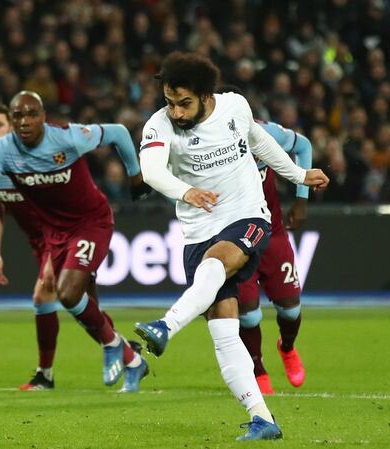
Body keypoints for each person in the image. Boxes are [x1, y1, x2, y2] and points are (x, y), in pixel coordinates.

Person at [132, 52, 329, 440]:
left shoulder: (235, 107)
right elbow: (152, 171)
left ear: (207, 95)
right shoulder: (159, 124)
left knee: (217, 261)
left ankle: (165, 326)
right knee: (225, 334)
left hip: (248, 216)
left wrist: (296, 175)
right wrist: (186, 190)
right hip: (197, 228)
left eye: (184, 103)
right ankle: (262, 417)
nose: (175, 111)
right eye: (170, 102)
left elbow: (260, 141)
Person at [0, 91, 151, 393]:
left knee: (64, 293)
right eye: (18, 116)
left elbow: (117, 132)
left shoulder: (67, 138)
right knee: (83, 305)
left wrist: (135, 177)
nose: (24, 122)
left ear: (43, 116)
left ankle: (101, 351)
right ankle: (129, 358)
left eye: (31, 115)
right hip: (54, 235)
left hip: (90, 223)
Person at [216, 85, 310, 395]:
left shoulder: (262, 130)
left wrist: (301, 200)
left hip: (272, 231)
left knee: (290, 309)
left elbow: (304, 146)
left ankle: (287, 347)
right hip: (234, 237)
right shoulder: (208, 140)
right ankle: (257, 369)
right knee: (250, 313)